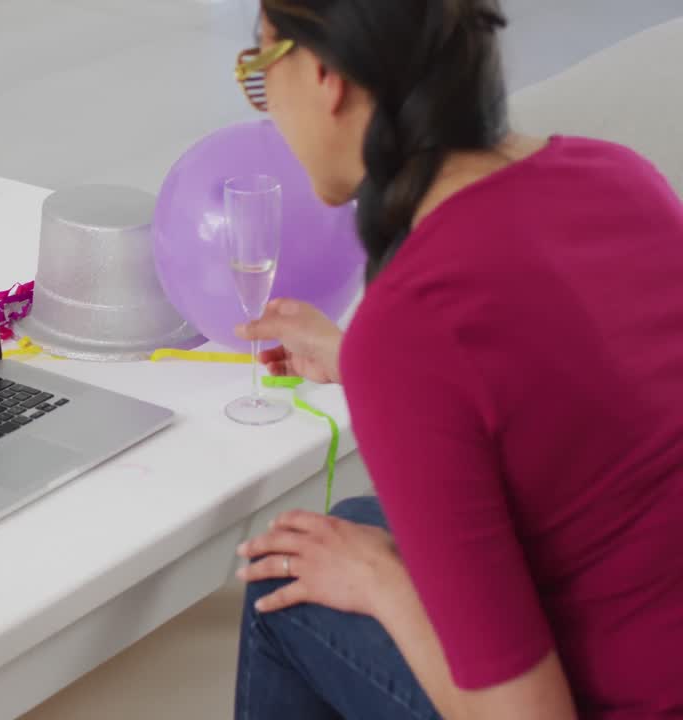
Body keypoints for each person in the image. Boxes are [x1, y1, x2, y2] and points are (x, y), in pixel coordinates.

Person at [229, 1, 683, 718]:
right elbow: (566, 374)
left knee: (283, 581)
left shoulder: (410, 324)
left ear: (324, 76)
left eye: (258, 70)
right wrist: (364, 364)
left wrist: (385, 582)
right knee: (346, 521)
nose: (266, 107)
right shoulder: (620, 176)